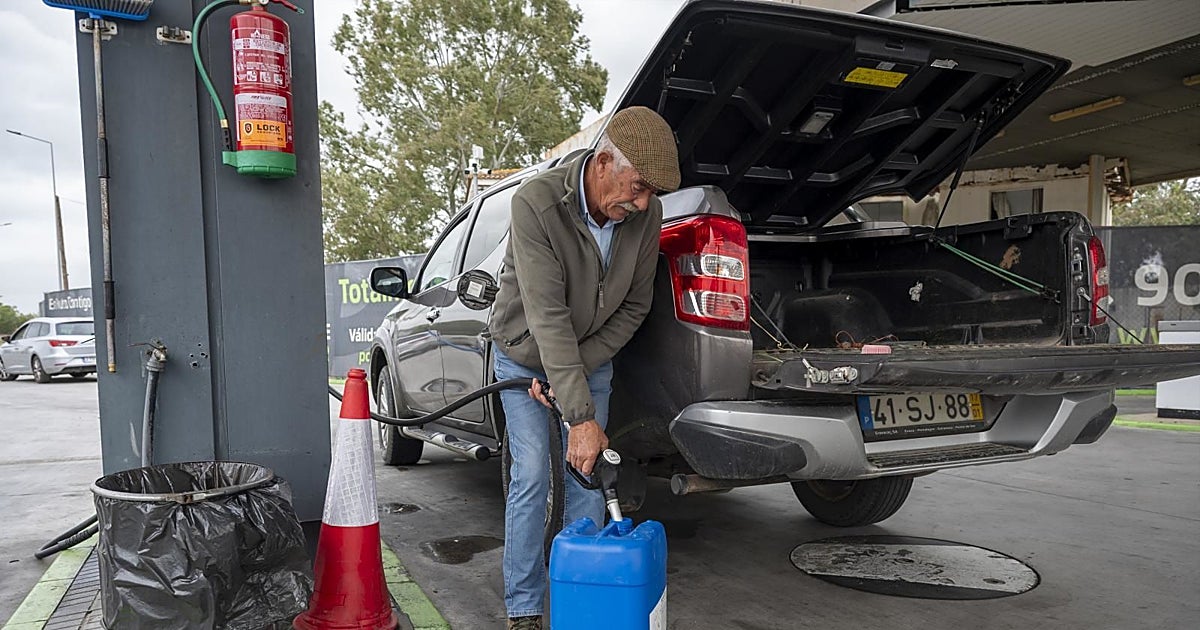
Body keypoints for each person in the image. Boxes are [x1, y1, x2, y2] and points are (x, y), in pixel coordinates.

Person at [488, 106, 680, 630]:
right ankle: (524, 609)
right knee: (532, 474)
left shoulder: (645, 215)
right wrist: (579, 413)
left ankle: (586, 605)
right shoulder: (536, 204)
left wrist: (575, 383)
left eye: (649, 195)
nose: (641, 203)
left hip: (588, 356)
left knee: (588, 475)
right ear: (601, 163)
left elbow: (635, 307)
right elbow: (547, 320)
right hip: (525, 354)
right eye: (637, 187)